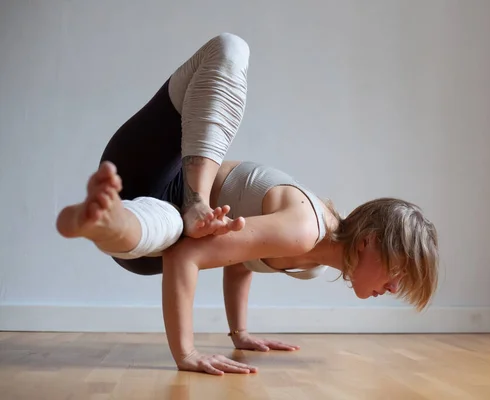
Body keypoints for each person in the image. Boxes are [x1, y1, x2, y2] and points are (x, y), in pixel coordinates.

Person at [56, 33, 440, 376]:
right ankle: (150, 210)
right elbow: (184, 259)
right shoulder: (304, 230)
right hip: (157, 174)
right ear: (368, 241)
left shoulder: (314, 261)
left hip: (151, 229)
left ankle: (102, 219)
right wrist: (186, 353)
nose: (393, 287)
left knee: (168, 227)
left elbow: (241, 261)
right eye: (398, 271)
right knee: (227, 49)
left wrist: (240, 333)